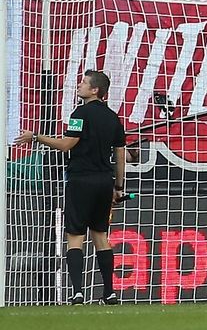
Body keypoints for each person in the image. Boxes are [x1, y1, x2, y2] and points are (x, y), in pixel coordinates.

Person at [14, 70, 128, 304]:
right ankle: (109, 292)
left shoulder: (80, 113)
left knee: (75, 236)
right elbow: (120, 155)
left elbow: (67, 145)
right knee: (101, 236)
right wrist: (118, 186)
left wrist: (36, 137)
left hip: (81, 180)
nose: (79, 85)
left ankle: (77, 292)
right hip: (104, 182)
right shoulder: (113, 118)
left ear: (95, 90)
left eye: (84, 82)